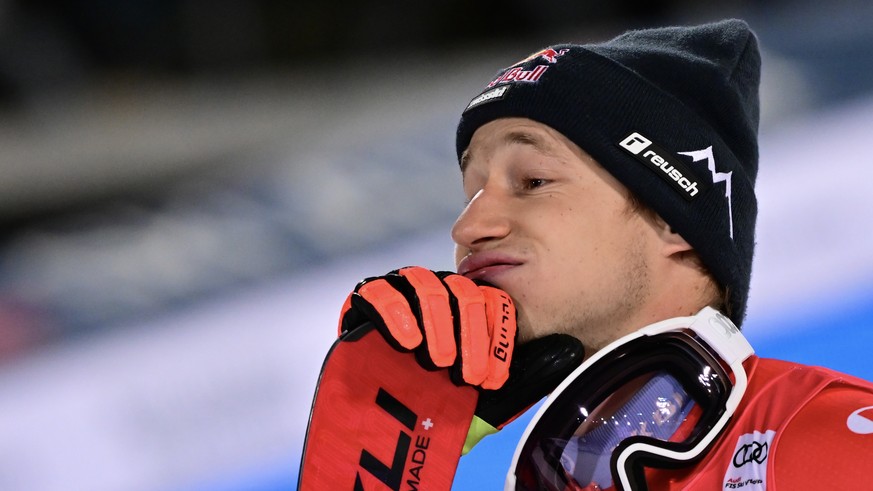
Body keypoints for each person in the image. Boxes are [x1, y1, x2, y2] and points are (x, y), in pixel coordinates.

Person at [335, 18, 873, 490]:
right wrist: (383, 452)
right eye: (470, 193)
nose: (468, 226)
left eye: (533, 180)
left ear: (672, 215)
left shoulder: (831, 442)